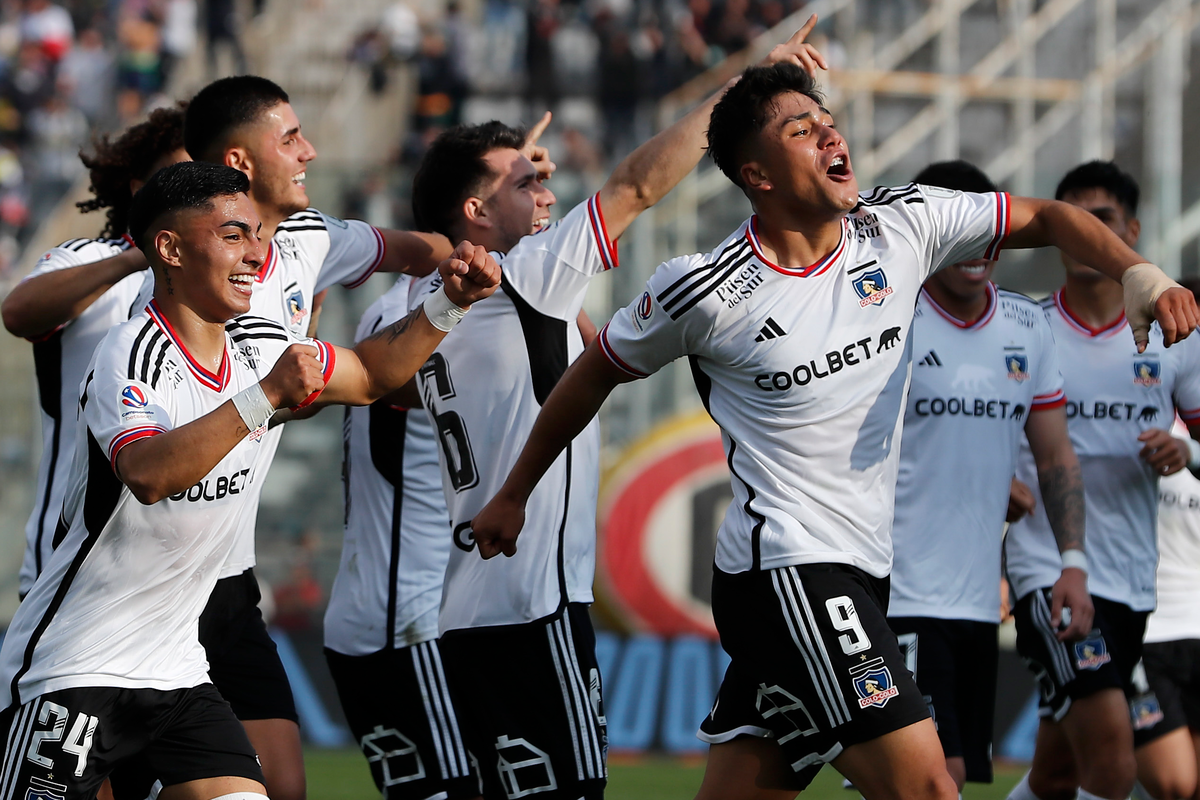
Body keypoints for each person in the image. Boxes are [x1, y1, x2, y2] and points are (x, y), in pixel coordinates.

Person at [470, 64, 1199, 800]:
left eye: (826, 121)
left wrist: (1142, 274)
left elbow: (1044, 217)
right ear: (756, 174)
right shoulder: (705, 289)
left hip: (860, 569)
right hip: (786, 569)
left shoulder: (901, 223)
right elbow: (594, 372)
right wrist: (514, 492)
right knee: (928, 788)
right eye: (800, 129)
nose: (828, 133)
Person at [406, 21, 830, 800]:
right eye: (522, 183)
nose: (546, 192)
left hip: (463, 609)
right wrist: (747, 90)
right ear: (472, 211)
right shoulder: (526, 277)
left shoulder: (413, 308)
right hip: (534, 603)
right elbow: (636, 186)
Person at [0, 160, 499, 800]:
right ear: (171, 248)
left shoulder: (260, 346)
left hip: (178, 674)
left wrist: (449, 303)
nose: (257, 254)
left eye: (259, 235)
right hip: (74, 668)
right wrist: (265, 397)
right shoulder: (131, 353)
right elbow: (149, 473)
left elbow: (373, 376)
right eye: (234, 235)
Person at [170, 74, 460, 800]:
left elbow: (418, 247)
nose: (312, 150)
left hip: (226, 574)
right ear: (240, 163)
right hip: (150, 574)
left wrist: (467, 259)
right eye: (290, 138)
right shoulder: (202, 289)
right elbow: (339, 385)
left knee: (284, 786)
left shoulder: (306, 237)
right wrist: (458, 304)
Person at [886, 160, 1085, 791]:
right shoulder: (889, 322)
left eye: (989, 230)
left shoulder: (1029, 326)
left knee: (959, 776)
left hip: (976, 601)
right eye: (964, 232)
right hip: (897, 593)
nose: (982, 248)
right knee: (931, 781)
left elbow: (1054, 458)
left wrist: (1072, 563)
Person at [1004, 161, 1200, 800]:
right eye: (1075, 219)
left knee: (1057, 772)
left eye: (1104, 219)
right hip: (1049, 573)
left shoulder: (1174, 339)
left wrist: (1186, 451)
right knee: (1115, 759)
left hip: (1132, 582)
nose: (1088, 230)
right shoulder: (1026, 328)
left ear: (1131, 231)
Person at [1, 104, 187, 600]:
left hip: (183, 578)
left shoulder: (228, 284)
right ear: (138, 187)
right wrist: (137, 256)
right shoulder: (90, 260)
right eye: (180, 175)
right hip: (75, 569)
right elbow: (18, 312)